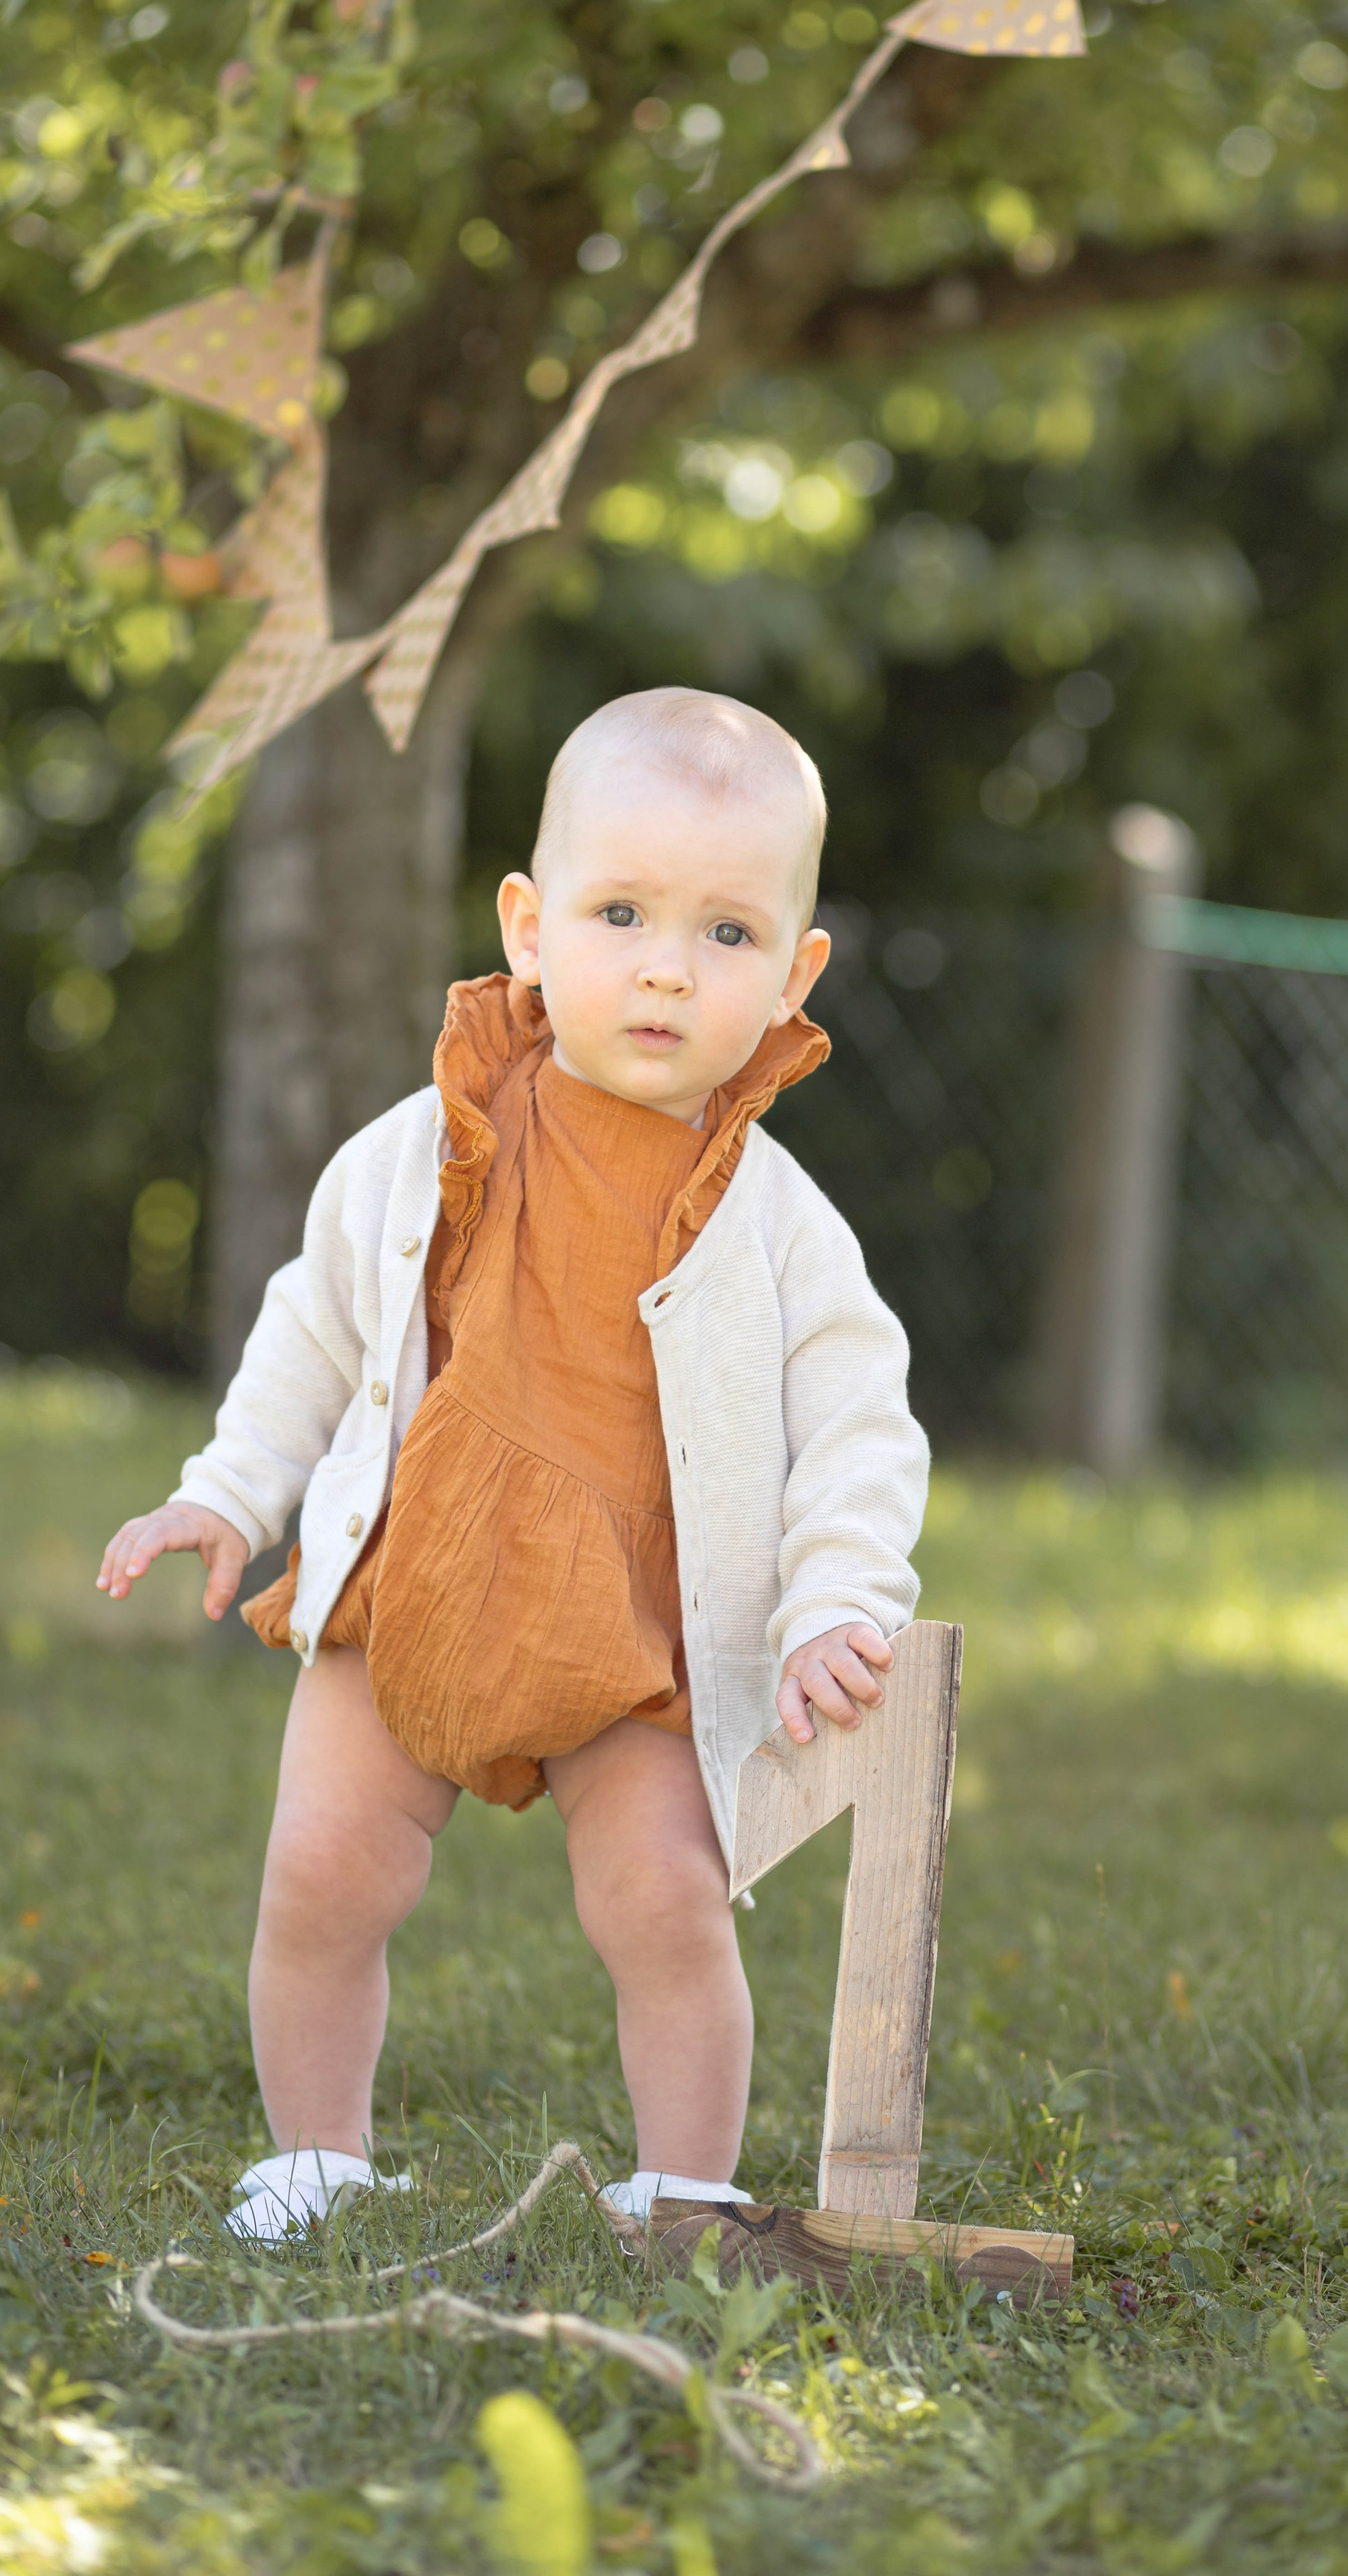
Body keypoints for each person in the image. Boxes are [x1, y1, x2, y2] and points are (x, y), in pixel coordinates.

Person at [95, 688, 928, 2243]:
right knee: (324, 1876)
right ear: (530, 925)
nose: (669, 967)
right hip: (417, 1579)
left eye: (728, 934)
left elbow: (861, 1424)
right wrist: (226, 1488)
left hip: (631, 1635)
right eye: (621, 913)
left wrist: (835, 1604)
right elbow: (315, 1332)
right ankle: (316, 2160)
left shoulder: (779, 1223)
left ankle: (682, 2187)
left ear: (797, 972)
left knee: (666, 1907)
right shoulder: (427, 1143)